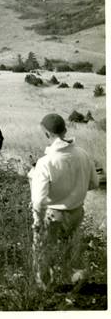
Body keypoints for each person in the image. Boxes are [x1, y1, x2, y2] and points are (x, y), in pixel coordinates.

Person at [28, 113, 99, 290]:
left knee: (43, 250)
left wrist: (37, 222)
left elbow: (39, 200)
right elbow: (94, 183)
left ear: (46, 134)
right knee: (72, 247)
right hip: (77, 211)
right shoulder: (83, 154)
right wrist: (74, 191)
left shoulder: (45, 162)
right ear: (65, 131)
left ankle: (46, 286)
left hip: (54, 214)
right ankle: (78, 277)